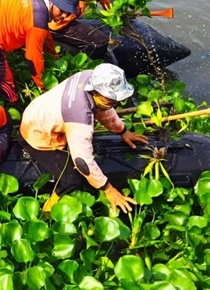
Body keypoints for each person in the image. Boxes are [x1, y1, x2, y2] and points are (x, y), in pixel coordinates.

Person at [18, 63, 148, 213]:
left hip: (40, 113)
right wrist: (108, 189)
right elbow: (82, 162)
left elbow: (104, 109)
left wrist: (123, 131)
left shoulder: (90, 76)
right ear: (95, 93)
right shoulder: (79, 117)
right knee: (72, 179)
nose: (116, 104)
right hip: (37, 134)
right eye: (112, 101)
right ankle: (47, 210)